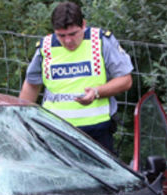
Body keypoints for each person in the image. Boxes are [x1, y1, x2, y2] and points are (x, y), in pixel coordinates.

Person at [19, 1, 133, 154]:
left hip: (97, 134)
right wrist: (20, 122)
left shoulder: (100, 41)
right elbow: (32, 85)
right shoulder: (46, 47)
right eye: (61, 35)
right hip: (55, 132)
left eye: (73, 34)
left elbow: (125, 80)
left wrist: (97, 92)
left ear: (83, 25)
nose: (68, 41)